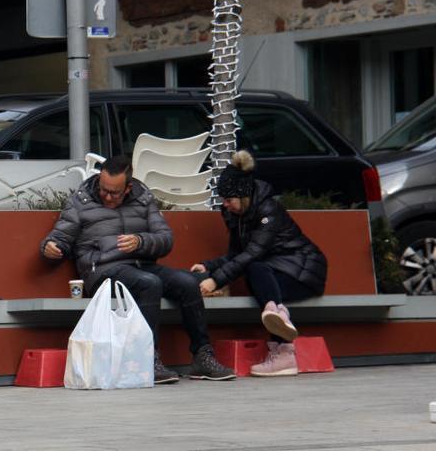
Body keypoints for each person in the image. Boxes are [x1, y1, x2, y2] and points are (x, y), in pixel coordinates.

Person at [41, 155, 235, 384]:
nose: (107, 196)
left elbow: (166, 239)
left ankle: (203, 356)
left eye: (114, 192)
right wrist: (51, 248)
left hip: (143, 265)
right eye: (104, 189)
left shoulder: (143, 199)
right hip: (102, 271)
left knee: (188, 283)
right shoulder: (80, 201)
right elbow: (59, 237)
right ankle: (148, 359)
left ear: (128, 188)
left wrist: (141, 242)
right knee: (149, 283)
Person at [192, 150, 327, 377]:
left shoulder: (269, 210)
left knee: (255, 269)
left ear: (243, 196)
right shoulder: (238, 216)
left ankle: (284, 349)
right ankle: (279, 322)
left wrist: (215, 280)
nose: (224, 205)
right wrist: (209, 266)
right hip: (273, 271)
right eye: (222, 199)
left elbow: (253, 252)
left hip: (304, 271)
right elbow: (237, 254)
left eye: (229, 199)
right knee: (258, 276)